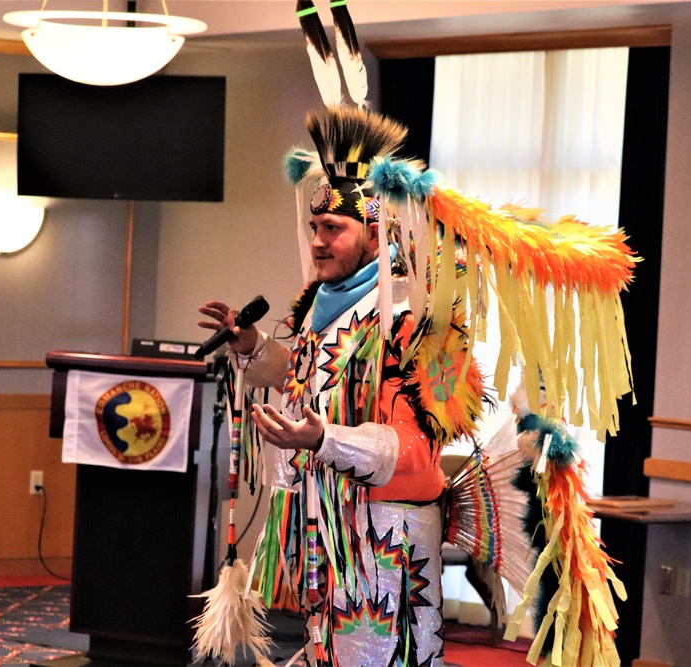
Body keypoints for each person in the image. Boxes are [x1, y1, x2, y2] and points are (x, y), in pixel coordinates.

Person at [197, 108, 483, 667]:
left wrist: (323, 439)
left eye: (334, 229)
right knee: (327, 650)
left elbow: (414, 446)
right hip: (324, 523)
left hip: (384, 536)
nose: (320, 241)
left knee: (374, 654)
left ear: (375, 234)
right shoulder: (323, 307)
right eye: (315, 228)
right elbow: (318, 381)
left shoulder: (412, 316)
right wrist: (252, 345)